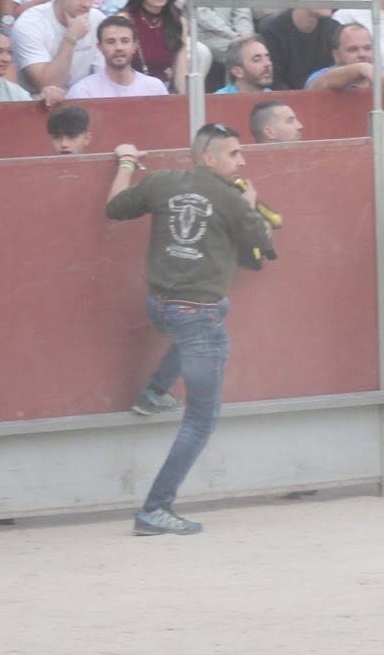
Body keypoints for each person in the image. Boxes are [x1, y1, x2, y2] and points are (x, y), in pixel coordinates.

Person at [106, 123, 275, 536]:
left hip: (160, 306)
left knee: (215, 311)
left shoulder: (162, 182)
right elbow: (262, 248)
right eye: (234, 154)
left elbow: (114, 207)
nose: (242, 162)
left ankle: (154, 393)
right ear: (209, 158)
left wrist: (126, 162)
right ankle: (155, 509)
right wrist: (250, 207)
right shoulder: (232, 200)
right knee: (202, 419)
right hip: (197, 316)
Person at [68, 15, 169, 99]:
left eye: (125, 41)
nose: (118, 47)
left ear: (135, 46)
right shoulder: (83, 92)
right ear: (100, 48)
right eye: (111, 42)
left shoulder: (154, 89)